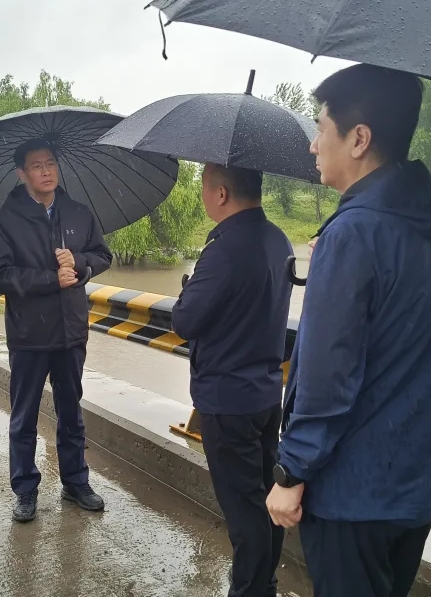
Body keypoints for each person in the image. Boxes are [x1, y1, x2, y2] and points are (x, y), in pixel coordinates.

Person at [266, 64, 431, 597]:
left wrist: (290, 473)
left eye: (320, 128)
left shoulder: (354, 233)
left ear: (358, 139)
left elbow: (328, 376)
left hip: (351, 495)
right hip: (412, 490)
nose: (313, 145)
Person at [171, 164, 293, 597]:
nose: (203, 196)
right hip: (266, 393)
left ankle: (250, 590)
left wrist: (188, 290)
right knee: (267, 498)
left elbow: (185, 321)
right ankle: (265, 583)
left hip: (227, 401)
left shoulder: (223, 249)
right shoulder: (278, 240)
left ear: (221, 194)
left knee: (244, 512)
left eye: (204, 188)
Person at [0, 138, 113, 523]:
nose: (46, 171)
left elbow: (102, 255)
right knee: (24, 414)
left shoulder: (78, 213)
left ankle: (75, 482)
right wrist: (49, 279)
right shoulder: (5, 220)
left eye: (51, 163)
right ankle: (25, 489)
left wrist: (79, 261)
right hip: (29, 334)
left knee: (71, 411)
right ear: (21, 174)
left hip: (71, 330)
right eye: (37, 166)